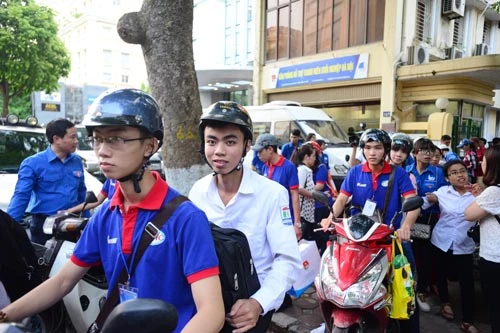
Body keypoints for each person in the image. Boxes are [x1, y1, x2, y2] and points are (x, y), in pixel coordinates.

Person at [0, 89, 225, 333]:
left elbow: (211, 312)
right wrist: (4, 316)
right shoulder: (105, 215)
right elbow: (62, 281)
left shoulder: (186, 218)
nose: (102, 150)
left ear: (150, 145)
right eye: (97, 139)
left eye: (116, 139)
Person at [189, 101, 301, 332]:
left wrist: (258, 303)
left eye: (230, 142)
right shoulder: (197, 192)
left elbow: (287, 260)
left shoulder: (272, 194)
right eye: (212, 141)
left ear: (247, 145)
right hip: (207, 302)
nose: (219, 150)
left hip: (251, 305)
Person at [321, 128, 421, 333]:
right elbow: (341, 199)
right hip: (357, 238)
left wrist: (405, 227)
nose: (372, 152)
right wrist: (330, 218)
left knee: (408, 286)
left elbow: (412, 202)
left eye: (377, 148)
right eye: (368, 147)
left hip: (389, 237)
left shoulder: (398, 173)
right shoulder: (355, 172)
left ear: (385, 150)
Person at [7, 118, 87, 244]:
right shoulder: (33, 163)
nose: (76, 141)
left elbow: (82, 193)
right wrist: (8, 227)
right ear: (56, 139)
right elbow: (21, 196)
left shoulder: (76, 161)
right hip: (43, 226)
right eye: (72, 137)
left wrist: (87, 220)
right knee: (42, 262)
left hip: (72, 224)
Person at [423, 160, 479, 333]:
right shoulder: (442, 192)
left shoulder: (477, 194)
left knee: (466, 283)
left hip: (464, 244)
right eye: (454, 173)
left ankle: (468, 320)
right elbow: (423, 204)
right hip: (441, 241)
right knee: (441, 275)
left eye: (462, 171)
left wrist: (481, 194)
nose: (460, 175)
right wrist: (426, 198)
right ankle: (445, 303)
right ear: (447, 178)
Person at [406, 138, 447, 313]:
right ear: (415, 153)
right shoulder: (406, 171)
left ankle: (421, 289)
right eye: (424, 150)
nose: (429, 154)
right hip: (408, 220)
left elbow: (447, 193)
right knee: (409, 255)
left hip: (428, 220)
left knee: (424, 256)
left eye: (430, 151)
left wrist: (438, 197)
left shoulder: (438, 173)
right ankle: (409, 288)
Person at [465, 145, 500, 333]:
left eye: (484, 160)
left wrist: (479, 198)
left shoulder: (494, 192)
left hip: (495, 259)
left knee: (495, 307)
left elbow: (469, 214)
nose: (481, 162)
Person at [253, 133, 302, 239]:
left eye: (260, 151)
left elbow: (295, 195)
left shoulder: (288, 167)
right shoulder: (265, 166)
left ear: (270, 149)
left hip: (286, 218)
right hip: (270, 218)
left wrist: (297, 223)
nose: (258, 155)